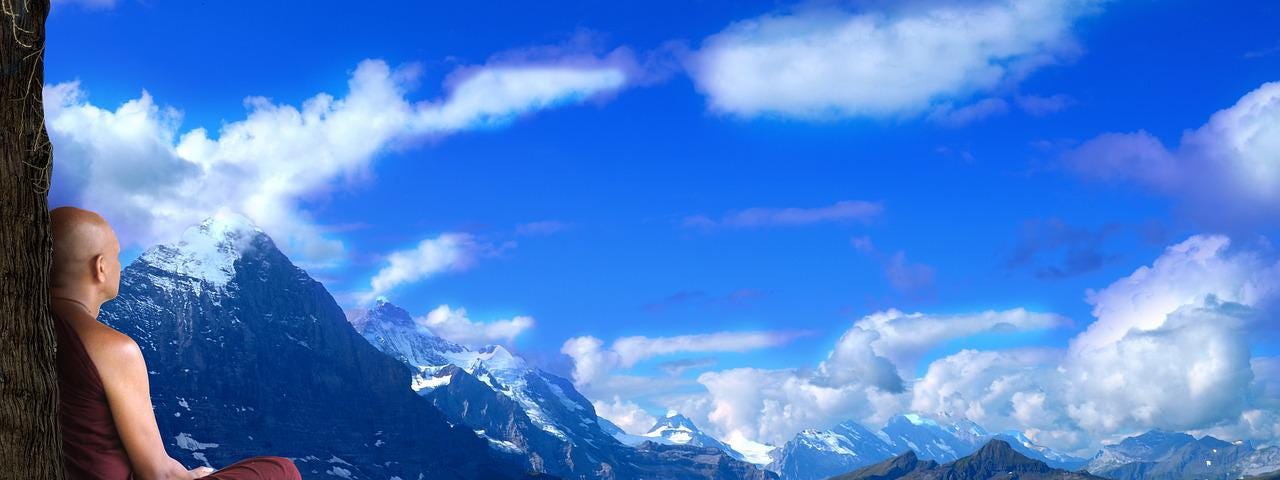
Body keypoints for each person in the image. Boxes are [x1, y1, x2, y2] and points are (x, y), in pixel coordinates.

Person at [49, 206, 301, 480]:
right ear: (100, 267)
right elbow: (157, 474)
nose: (120, 265)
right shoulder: (112, 349)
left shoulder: (28, 331)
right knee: (281, 469)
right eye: (117, 257)